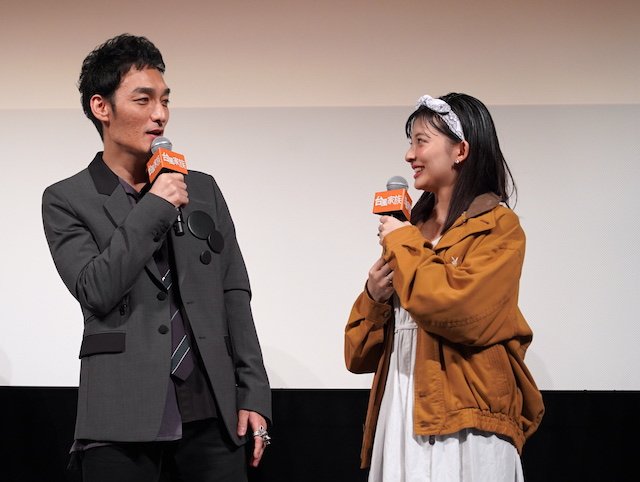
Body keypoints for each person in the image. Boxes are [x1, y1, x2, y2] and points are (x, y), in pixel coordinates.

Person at [42, 34, 271, 482]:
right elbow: (96, 290)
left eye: (165, 100)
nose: (160, 114)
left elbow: (233, 292)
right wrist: (154, 207)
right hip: (120, 409)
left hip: (211, 405)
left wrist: (254, 393)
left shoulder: (201, 188)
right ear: (101, 107)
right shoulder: (67, 199)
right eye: (143, 100)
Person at [345, 93, 544, 481]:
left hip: (466, 418)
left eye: (421, 141)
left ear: (460, 150)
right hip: (402, 409)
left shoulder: (498, 227)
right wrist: (374, 296)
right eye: (411, 143)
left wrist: (402, 241)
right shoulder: (410, 233)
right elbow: (358, 356)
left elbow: (458, 311)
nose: (409, 155)